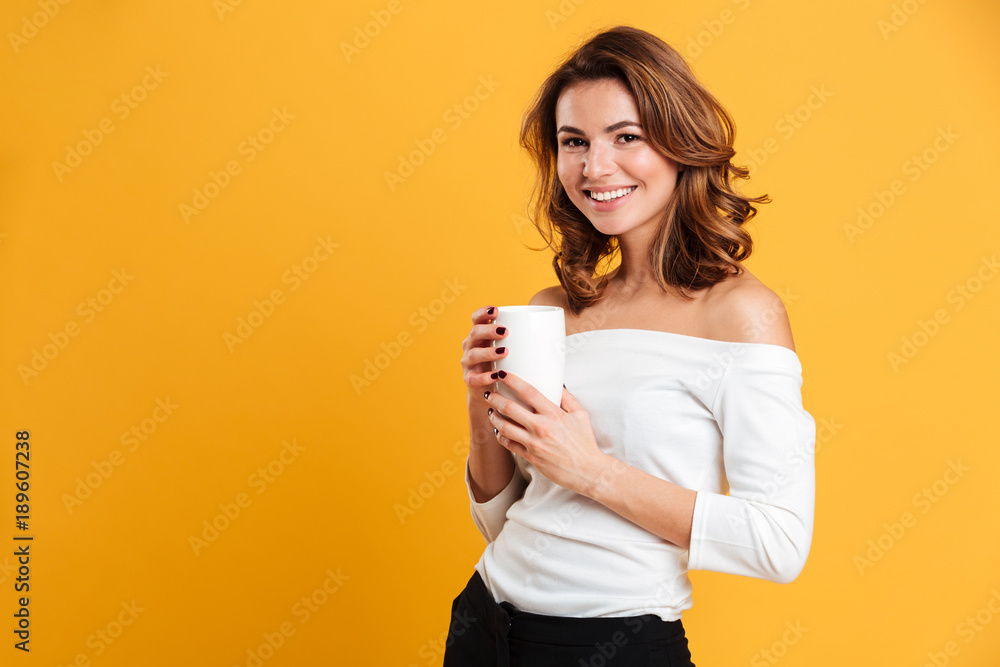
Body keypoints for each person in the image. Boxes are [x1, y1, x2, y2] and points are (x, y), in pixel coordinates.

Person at [446, 24, 816, 667]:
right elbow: (507, 521)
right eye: (574, 142)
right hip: (485, 626)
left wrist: (591, 470)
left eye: (626, 137)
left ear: (680, 143)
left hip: (612, 647)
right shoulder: (553, 311)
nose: (596, 167)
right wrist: (484, 414)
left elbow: (777, 543)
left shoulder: (740, 314)